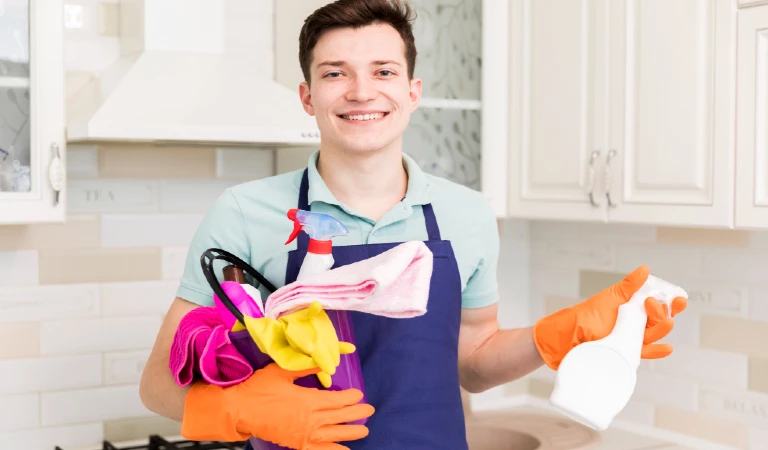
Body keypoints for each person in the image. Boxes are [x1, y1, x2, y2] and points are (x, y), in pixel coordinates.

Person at [138, 1, 687, 449]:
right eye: (335, 74)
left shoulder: (467, 215)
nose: (360, 92)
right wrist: (238, 407)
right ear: (307, 97)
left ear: (411, 92)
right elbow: (159, 385)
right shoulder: (244, 213)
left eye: (383, 72)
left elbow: (472, 362)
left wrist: (557, 335)